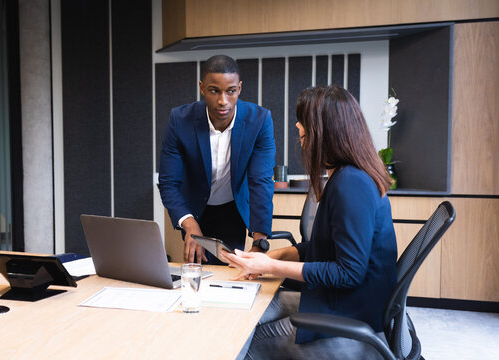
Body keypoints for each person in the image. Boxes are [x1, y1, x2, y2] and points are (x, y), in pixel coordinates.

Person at [222, 86, 398, 359]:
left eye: (303, 119)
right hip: (342, 305)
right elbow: (321, 247)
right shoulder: (347, 176)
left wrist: (271, 266)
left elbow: (348, 272)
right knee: (246, 306)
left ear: (323, 129)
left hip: (352, 323)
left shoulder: (351, 184)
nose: (297, 124)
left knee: (236, 338)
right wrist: (264, 259)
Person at [158, 55, 275, 265]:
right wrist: (189, 222)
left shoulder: (259, 120)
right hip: (194, 210)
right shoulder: (180, 120)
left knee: (233, 272)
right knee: (196, 271)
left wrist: (260, 241)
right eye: (214, 91)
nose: (223, 101)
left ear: (239, 88)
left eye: (230, 91)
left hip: (232, 210)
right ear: (202, 88)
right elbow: (169, 182)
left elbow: (260, 181)